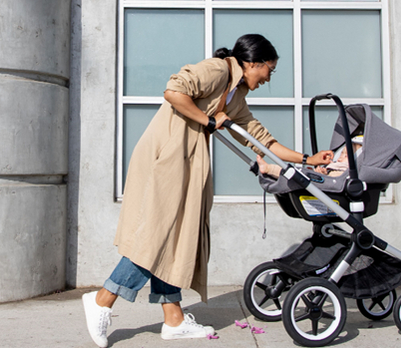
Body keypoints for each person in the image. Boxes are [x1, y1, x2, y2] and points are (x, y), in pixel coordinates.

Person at [82, 34, 333, 348]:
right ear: (253, 62)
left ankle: (173, 318)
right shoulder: (217, 70)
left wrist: (308, 158)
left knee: (174, 236)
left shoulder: (236, 96)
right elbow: (174, 91)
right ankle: (103, 300)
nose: (269, 77)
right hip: (167, 156)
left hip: (187, 163)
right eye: (269, 69)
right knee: (157, 235)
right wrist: (209, 119)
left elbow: (263, 141)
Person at [257, 139, 363, 178]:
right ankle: (273, 174)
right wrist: (323, 172)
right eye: (342, 153)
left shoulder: (348, 170)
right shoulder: (335, 165)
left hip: (327, 183)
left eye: (346, 156)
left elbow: (336, 179)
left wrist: (323, 175)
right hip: (322, 180)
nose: (341, 157)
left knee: (294, 174)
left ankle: (270, 169)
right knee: (295, 173)